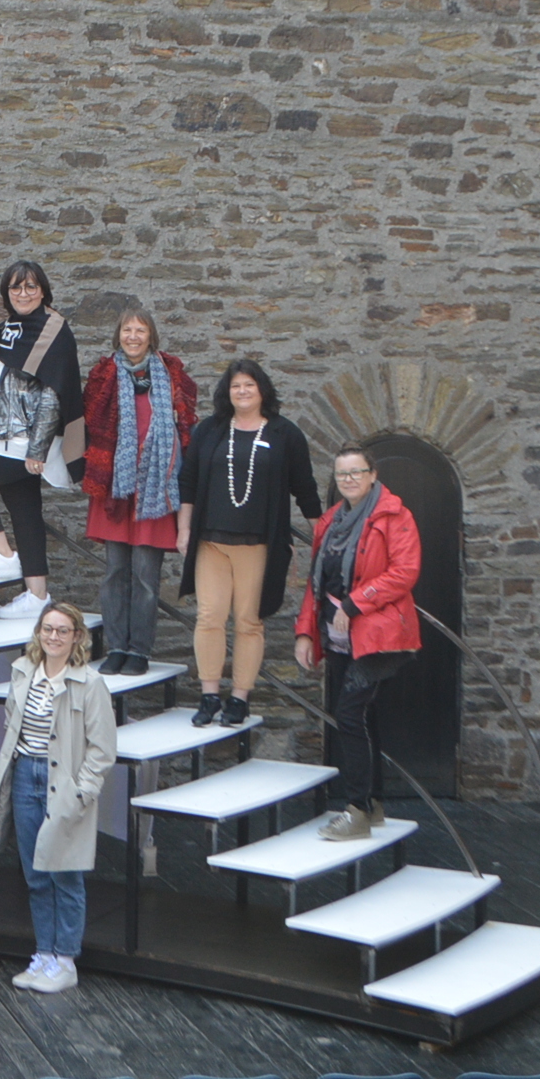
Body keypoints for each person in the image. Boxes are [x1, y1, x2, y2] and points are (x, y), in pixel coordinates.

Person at [0, 598, 117, 995]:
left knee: (65, 873)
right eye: (48, 629)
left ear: (77, 637)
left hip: (63, 782)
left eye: (62, 630)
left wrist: (82, 792)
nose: (53, 636)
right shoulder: (23, 671)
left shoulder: (90, 683)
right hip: (26, 774)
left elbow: (102, 749)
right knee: (36, 872)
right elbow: (12, 719)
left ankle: (66, 959)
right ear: (38, 632)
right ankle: (44, 953)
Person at [181, 357, 324, 728]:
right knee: (209, 617)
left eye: (249, 385)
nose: (242, 392)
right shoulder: (209, 430)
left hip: (259, 544)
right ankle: (209, 694)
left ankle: (240, 698)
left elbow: (304, 487)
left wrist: (323, 531)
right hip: (211, 542)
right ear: (227, 393)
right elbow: (188, 483)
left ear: (262, 390)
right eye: (235, 386)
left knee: (248, 622)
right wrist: (183, 530)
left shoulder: (284, 434)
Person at [297, 444, 423, 839]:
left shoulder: (394, 516)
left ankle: (356, 811)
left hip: (380, 633)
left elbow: (405, 572)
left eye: (356, 472)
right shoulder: (331, 520)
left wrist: (355, 604)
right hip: (338, 634)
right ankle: (374, 804)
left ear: (372, 474)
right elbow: (315, 583)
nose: (349, 479)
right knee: (363, 716)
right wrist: (305, 631)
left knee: (349, 715)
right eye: (342, 474)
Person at [0, 261, 81, 614]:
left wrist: (37, 448)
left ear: (43, 291)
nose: (23, 294)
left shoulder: (54, 331)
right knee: (24, 509)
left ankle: (2, 554)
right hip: (3, 434)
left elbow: (54, 392)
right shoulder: (8, 329)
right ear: (7, 294)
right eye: (16, 288)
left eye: (31, 287)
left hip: (25, 441)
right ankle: (37, 596)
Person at [81, 306, 198, 676]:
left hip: (156, 488)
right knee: (115, 571)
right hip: (116, 488)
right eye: (127, 329)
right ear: (119, 335)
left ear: (151, 336)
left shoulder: (173, 373)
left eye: (140, 330)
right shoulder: (104, 374)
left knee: (146, 576)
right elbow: (90, 422)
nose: (133, 336)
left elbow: (187, 427)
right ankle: (116, 646)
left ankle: (139, 651)